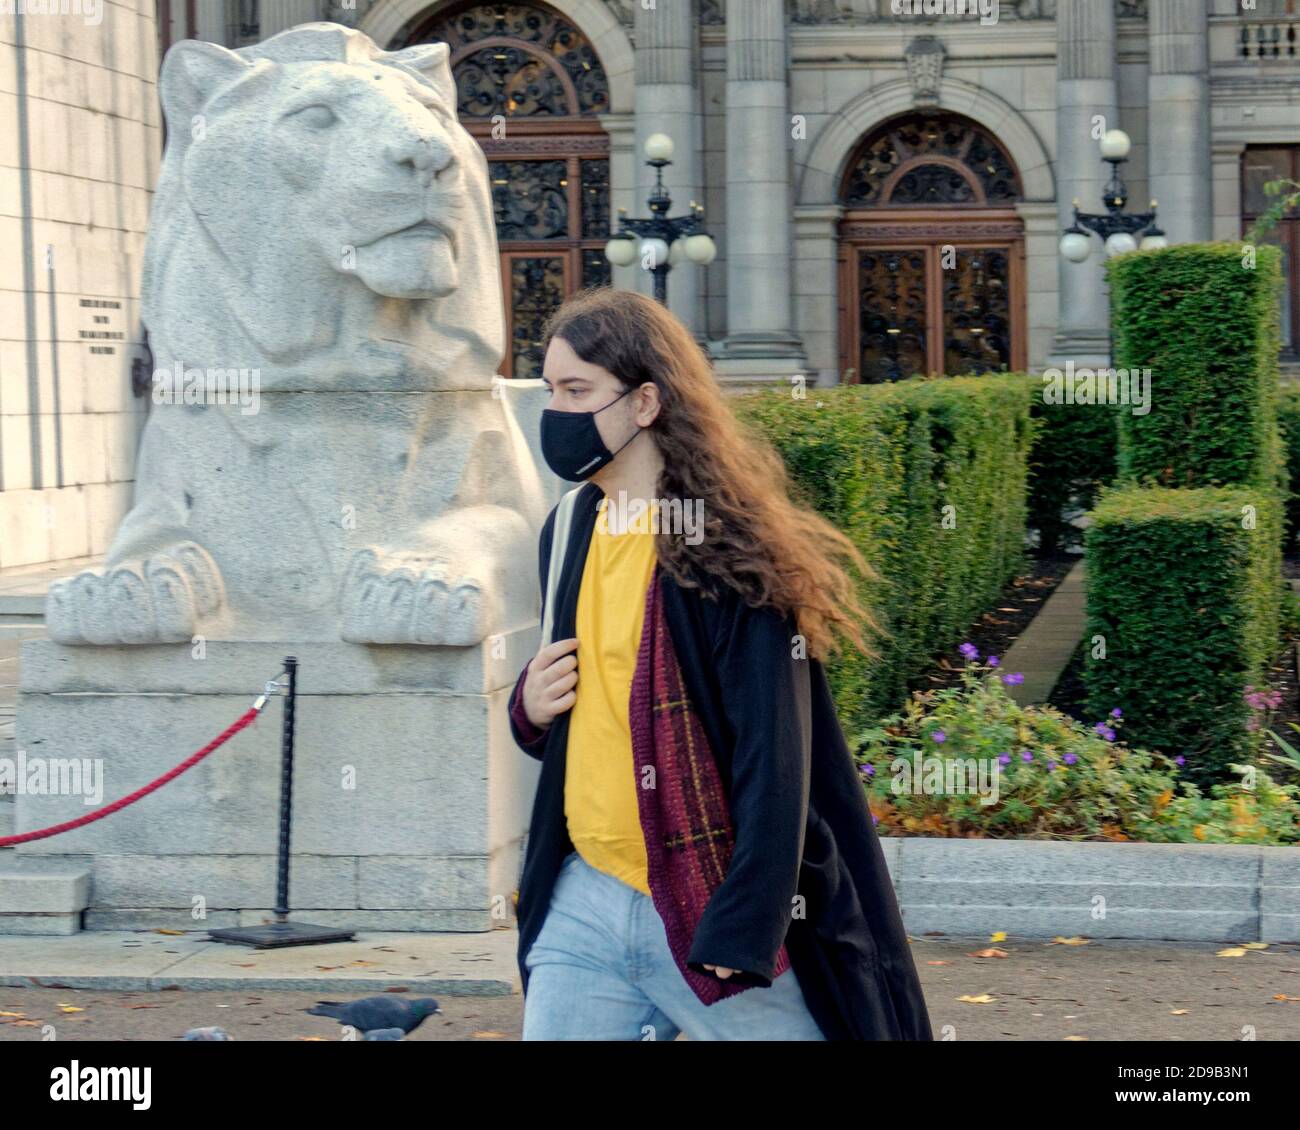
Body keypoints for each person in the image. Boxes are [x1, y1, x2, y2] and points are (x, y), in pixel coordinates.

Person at [507, 287, 933, 1041]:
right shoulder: (568, 528)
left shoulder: (727, 554)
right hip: (585, 900)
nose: (557, 413)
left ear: (644, 403)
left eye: (577, 391)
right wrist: (529, 708)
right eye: (551, 391)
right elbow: (589, 698)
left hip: (712, 907)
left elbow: (778, 761)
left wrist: (743, 932)